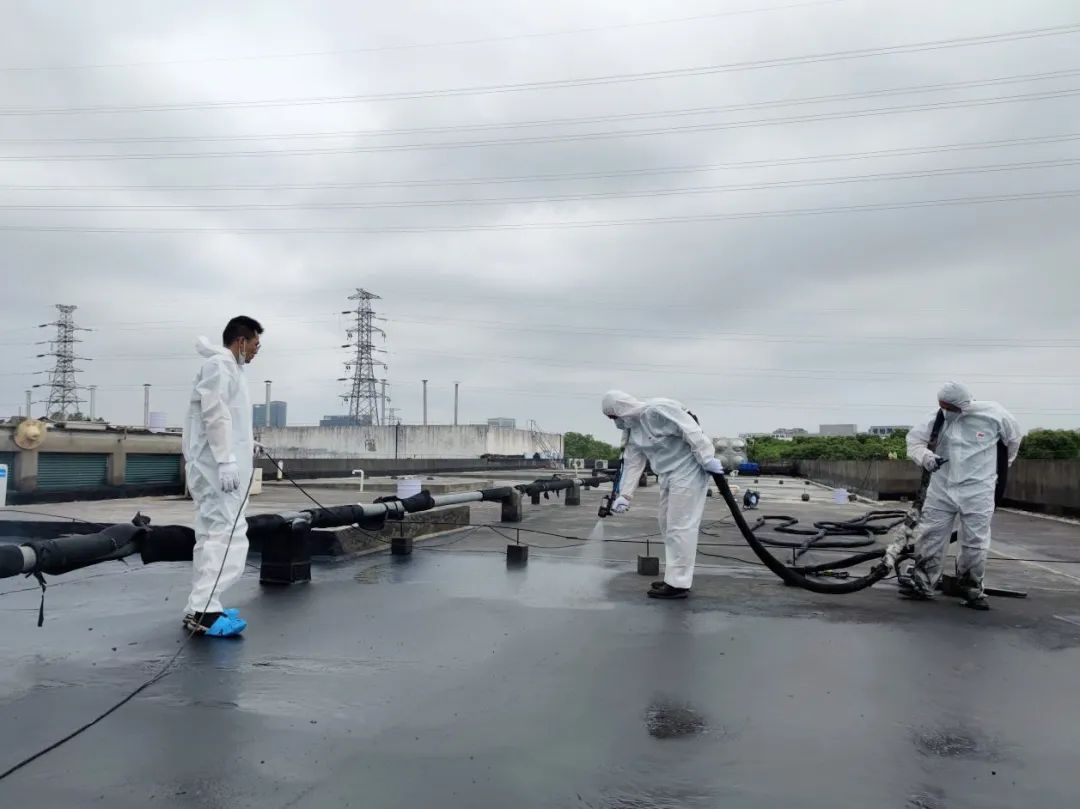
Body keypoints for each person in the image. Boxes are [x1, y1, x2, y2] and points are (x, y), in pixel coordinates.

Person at [903, 381, 1021, 610]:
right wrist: (926, 457)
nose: (946, 411)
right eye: (942, 406)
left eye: (950, 407)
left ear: (964, 405)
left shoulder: (995, 415)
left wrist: (998, 470)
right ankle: (923, 583)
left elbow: (1012, 442)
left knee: (975, 541)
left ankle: (971, 588)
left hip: (978, 489)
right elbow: (914, 442)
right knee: (930, 536)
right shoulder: (935, 419)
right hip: (941, 487)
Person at [181, 316, 263, 636]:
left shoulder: (231, 369)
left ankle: (202, 605)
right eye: (256, 345)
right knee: (227, 535)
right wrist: (226, 459)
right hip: (216, 469)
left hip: (217, 467)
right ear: (241, 341)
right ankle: (205, 609)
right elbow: (214, 414)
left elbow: (230, 418)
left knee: (213, 534)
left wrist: (247, 442)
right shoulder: (220, 366)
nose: (257, 352)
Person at [602, 390, 725, 599]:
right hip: (668, 473)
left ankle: (679, 584)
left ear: (621, 409)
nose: (615, 422)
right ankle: (673, 577)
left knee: (680, 525)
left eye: (614, 417)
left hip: (689, 469)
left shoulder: (657, 410)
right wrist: (625, 495)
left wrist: (706, 459)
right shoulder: (633, 430)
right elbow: (633, 462)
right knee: (666, 524)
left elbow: (691, 430)